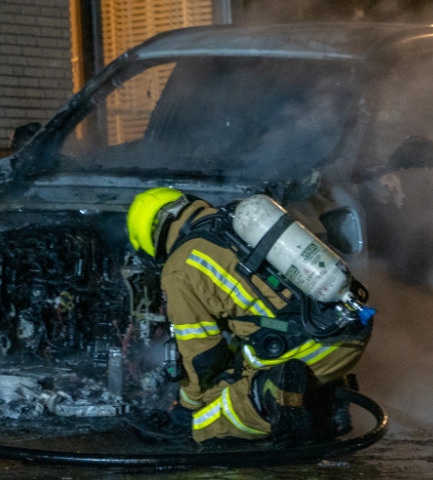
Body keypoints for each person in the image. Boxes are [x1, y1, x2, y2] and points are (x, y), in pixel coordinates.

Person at [126, 188, 371, 446]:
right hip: (349, 327)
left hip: (308, 349)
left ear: (150, 238)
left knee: (207, 415)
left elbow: (201, 356)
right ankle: (328, 402)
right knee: (245, 352)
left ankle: (270, 394)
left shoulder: (179, 270)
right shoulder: (238, 219)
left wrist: (187, 408)